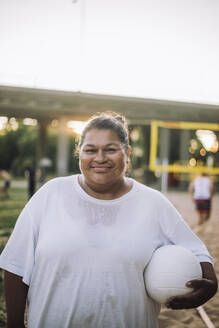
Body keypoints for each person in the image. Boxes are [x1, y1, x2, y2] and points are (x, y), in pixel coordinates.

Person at [0, 112, 217, 328]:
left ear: (127, 153)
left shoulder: (153, 203)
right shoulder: (51, 194)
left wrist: (209, 284)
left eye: (111, 149)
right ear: (79, 153)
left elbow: (196, 250)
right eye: (90, 150)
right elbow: (16, 265)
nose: (100, 158)